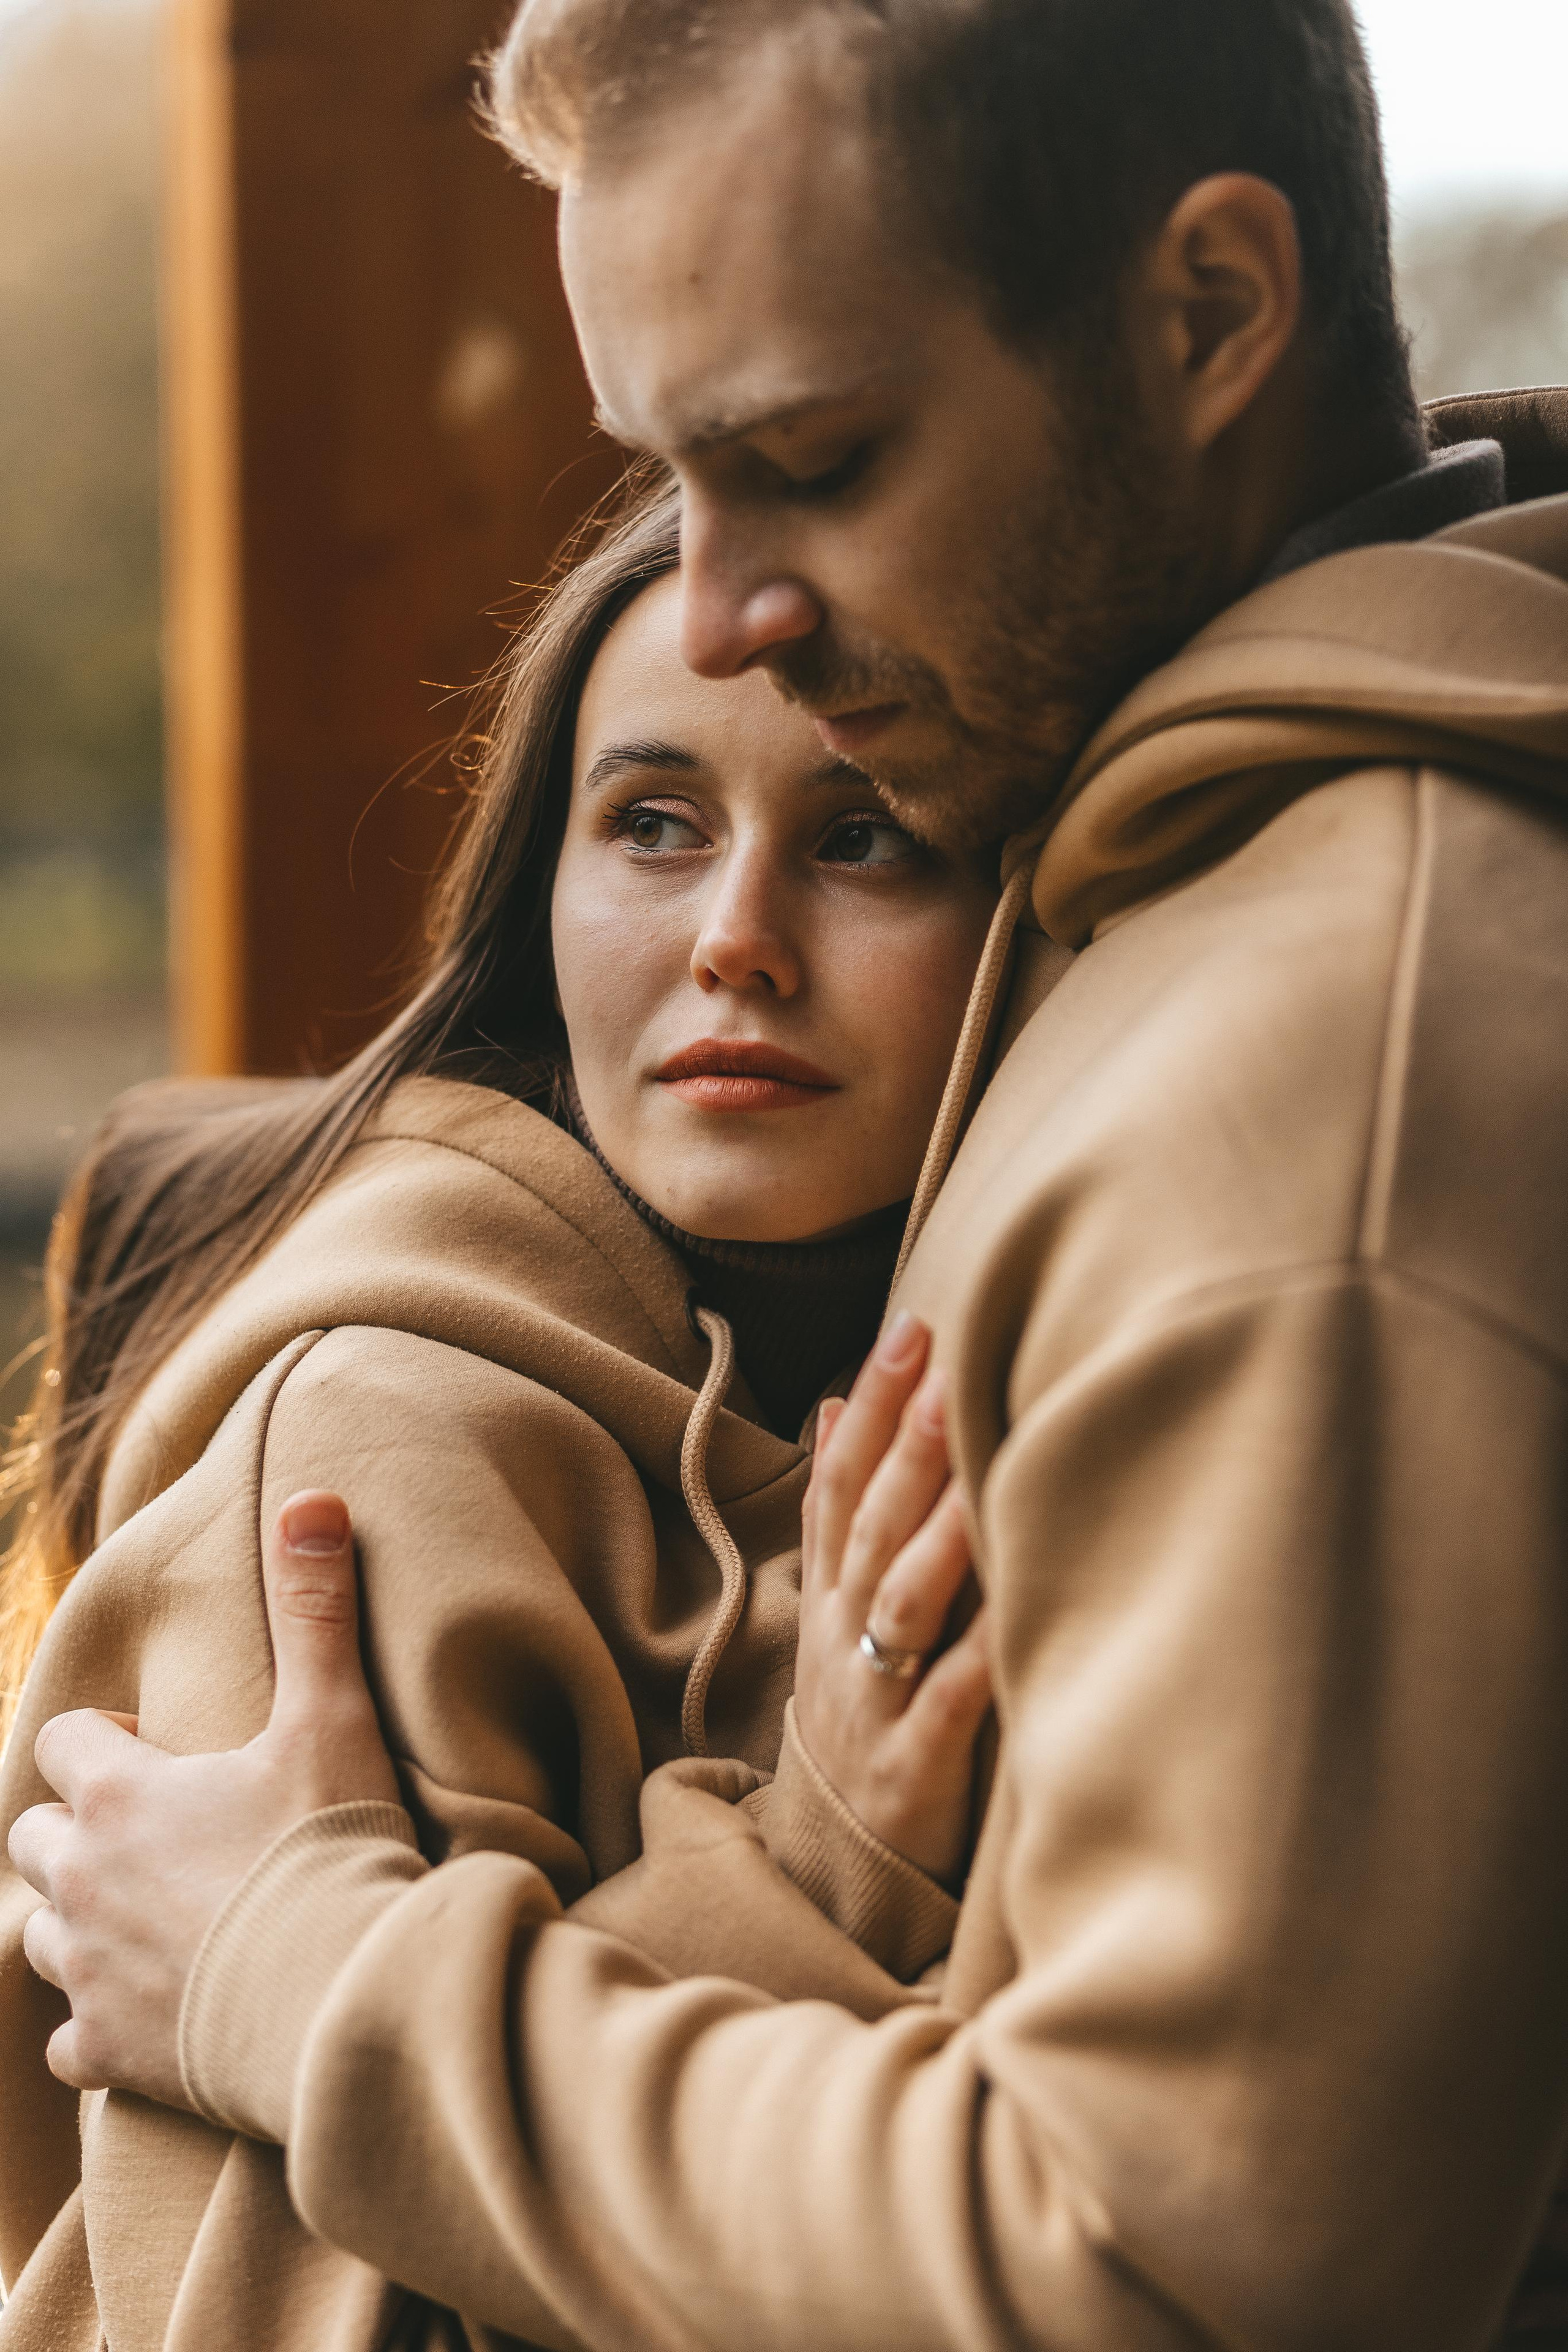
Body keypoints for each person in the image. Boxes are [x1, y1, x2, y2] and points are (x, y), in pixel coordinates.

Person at [14, 0, 1568, 2345]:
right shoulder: (1145, 891)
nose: (717, 602)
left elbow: (1157, 2272)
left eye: (813, 456)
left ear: (1213, 314)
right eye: (672, 468)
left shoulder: (1333, 1085)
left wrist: (302, 1965)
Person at [0, 479, 1003, 2348]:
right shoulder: (378, 1448)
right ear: (538, 892)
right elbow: (275, 2315)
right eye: (651, 826)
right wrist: (817, 1867)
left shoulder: (928, 1391)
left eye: (865, 838)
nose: (739, 937)